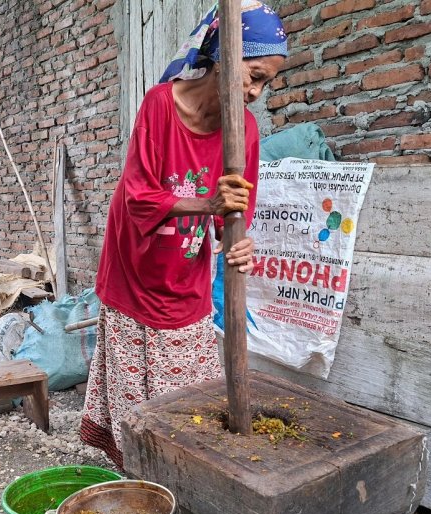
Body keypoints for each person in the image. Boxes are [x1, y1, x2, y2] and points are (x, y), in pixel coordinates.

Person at [80, 1, 288, 468]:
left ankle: (182, 479)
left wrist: (239, 243)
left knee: (190, 399)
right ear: (222, 58)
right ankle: (138, 475)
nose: (256, 92)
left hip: (185, 277)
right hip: (133, 270)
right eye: (254, 76)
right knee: (136, 400)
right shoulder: (160, 104)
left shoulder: (246, 131)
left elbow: (234, 216)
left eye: (266, 83)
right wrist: (209, 204)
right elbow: (138, 197)